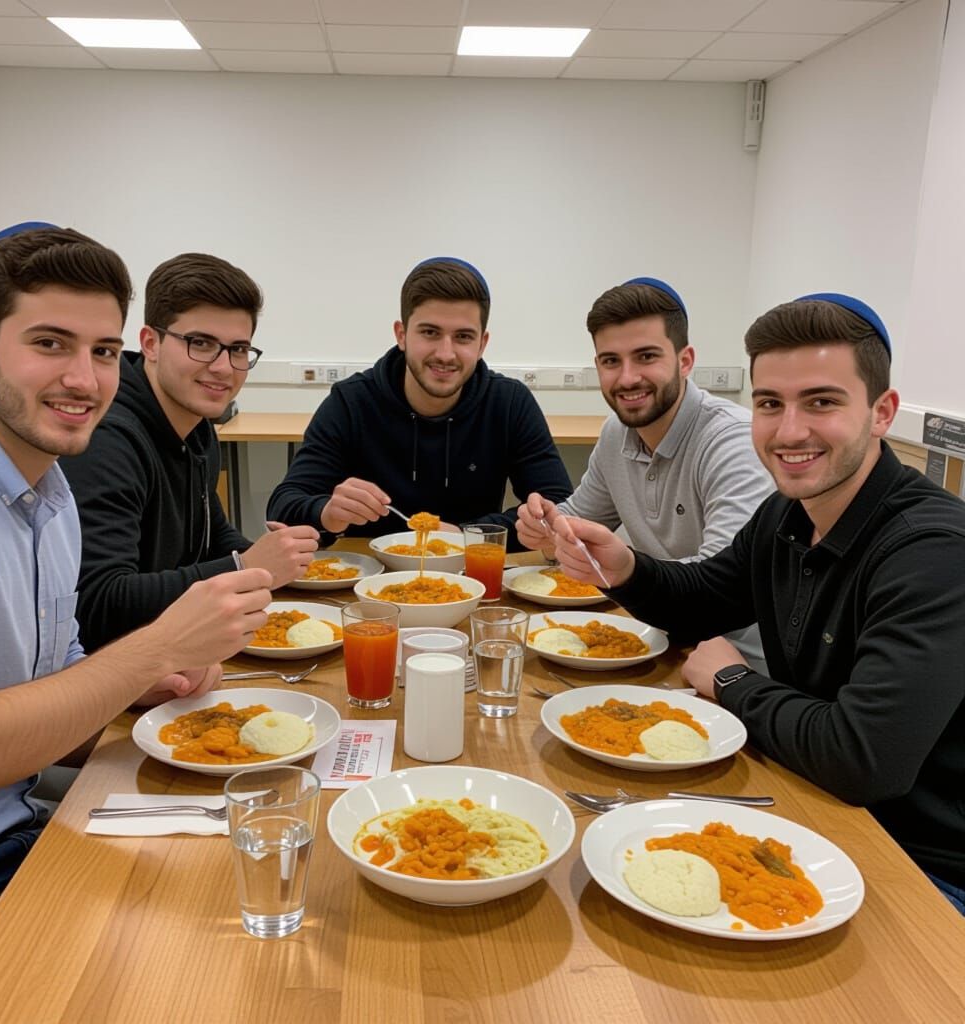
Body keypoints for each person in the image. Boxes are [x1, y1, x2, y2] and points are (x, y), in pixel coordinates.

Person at [547, 293, 965, 913]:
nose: (789, 430)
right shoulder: (786, 514)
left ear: (882, 413)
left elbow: (862, 759)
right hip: (814, 806)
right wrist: (627, 569)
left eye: (821, 401)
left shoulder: (933, 552)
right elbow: (705, 600)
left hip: (919, 867)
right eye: (770, 403)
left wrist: (732, 681)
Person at [0, 225, 272, 979]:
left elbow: (54, 691)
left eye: (99, 350)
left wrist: (146, 688)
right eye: (50, 343)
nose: (85, 380)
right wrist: (148, 653)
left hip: (21, 829)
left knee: (251, 899)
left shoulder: (50, 491)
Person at [61, 253, 318, 651]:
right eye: (200, 343)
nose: (223, 367)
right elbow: (98, 606)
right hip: (118, 679)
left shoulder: (197, 426)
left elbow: (211, 535)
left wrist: (268, 559)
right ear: (151, 343)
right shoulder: (107, 439)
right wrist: (247, 566)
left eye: (238, 349)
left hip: (179, 656)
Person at [516, 277, 772, 669]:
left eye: (647, 357)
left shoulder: (733, 442)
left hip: (736, 665)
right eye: (610, 361)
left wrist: (630, 569)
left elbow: (717, 586)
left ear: (685, 361)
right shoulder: (616, 431)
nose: (627, 378)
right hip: (658, 640)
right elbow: (576, 518)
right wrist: (544, 524)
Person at [266, 257, 572, 549]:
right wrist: (327, 512)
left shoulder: (509, 403)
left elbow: (558, 506)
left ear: (482, 344)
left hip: (474, 580)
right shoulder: (352, 401)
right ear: (402, 335)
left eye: (463, 337)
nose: (445, 353)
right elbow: (282, 506)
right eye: (430, 332)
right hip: (365, 585)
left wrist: (467, 535)